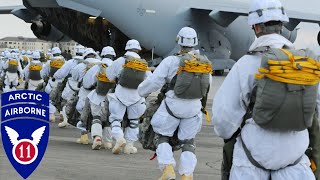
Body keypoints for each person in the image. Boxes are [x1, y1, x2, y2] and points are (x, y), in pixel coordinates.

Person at [212, 0, 317, 180]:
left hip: (251, 162)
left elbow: (223, 120)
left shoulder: (245, 65)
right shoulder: (304, 64)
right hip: (295, 163)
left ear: (256, 27)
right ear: (282, 25)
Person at [138, 27, 212, 180]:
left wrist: (141, 92)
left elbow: (154, 82)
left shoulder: (171, 61)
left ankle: (168, 168)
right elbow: (207, 86)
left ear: (178, 41)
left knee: (162, 136)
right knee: (188, 142)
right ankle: (186, 174)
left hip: (172, 106)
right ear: (195, 43)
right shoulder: (204, 64)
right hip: (194, 108)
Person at [106, 39, 151, 155]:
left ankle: (119, 138)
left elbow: (109, 75)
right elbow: (150, 81)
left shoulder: (120, 60)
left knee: (116, 119)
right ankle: (129, 146)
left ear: (127, 48)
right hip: (136, 97)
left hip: (120, 94)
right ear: (139, 49)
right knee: (134, 122)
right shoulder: (143, 64)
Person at [79, 46, 117, 150]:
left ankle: (97, 138)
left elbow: (86, 83)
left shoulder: (96, 67)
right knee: (109, 120)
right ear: (113, 55)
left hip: (98, 96)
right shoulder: (117, 66)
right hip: (113, 97)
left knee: (97, 117)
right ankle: (108, 142)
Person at [41, 47, 65, 122]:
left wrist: (45, 78)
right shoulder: (65, 61)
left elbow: (43, 73)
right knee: (61, 99)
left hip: (52, 82)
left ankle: (51, 114)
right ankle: (62, 113)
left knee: (49, 98)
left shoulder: (49, 62)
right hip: (62, 83)